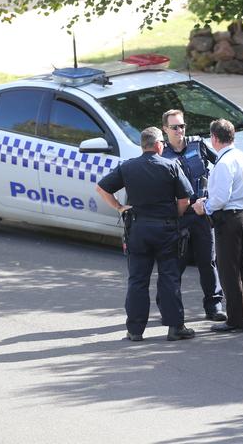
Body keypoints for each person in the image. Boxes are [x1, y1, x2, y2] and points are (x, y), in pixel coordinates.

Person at [96, 127, 196, 342]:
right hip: (166, 229)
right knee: (169, 278)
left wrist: (120, 208)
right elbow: (184, 200)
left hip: (138, 229)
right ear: (159, 144)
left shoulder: (128, 167)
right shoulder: (171, 166)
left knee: (137, 280)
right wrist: (175, 217)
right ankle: (175, 327)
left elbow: (102, 188)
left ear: (143, 145)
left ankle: (135, 330)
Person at [161, 109, 226, 322]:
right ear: (165, 129)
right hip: (177, 216)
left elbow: (221, 166)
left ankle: (214, 306)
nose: (180, 130)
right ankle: (167, 308)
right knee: (174, 265)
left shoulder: (197, 144)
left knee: (208, 261)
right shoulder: (161, 154)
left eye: (182, 126)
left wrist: (211, 198)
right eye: (174, 127)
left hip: (201, 214)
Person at [192, 119, 243, 332]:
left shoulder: (224, 162)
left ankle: (235, 320)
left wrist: (204, 206)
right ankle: (241, 315)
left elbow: (220, 198)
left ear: (214, 138)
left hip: (230, 219)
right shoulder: (242, 156)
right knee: (240, 268)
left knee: (228, 271)